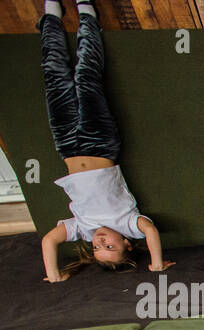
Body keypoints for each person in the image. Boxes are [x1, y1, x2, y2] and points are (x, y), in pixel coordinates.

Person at [35, 1, 172, 282]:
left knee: (54, 77)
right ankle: (87, 14)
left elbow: (49, 240)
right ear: (126, 243)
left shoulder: (82, 228)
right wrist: (156, 264)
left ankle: (50, 17)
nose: (99, 241)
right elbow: (151, 232)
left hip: (67, 145)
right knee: (86, 78)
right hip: (99, 143)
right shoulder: (130, 225)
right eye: (109, 246)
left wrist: (54, 275)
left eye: (97, 248)